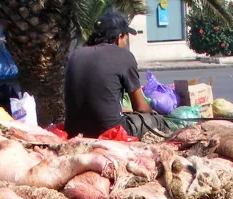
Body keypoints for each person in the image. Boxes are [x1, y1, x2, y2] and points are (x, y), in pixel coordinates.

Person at [64, 11, 169, 139]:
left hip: (73, 130)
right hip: (110, 132)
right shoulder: (124, 56)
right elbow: (140, 107)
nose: (126, 42)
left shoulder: (76, 54)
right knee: (158, 121)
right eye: (126, 37)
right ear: (119, 38)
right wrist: (153, 113)